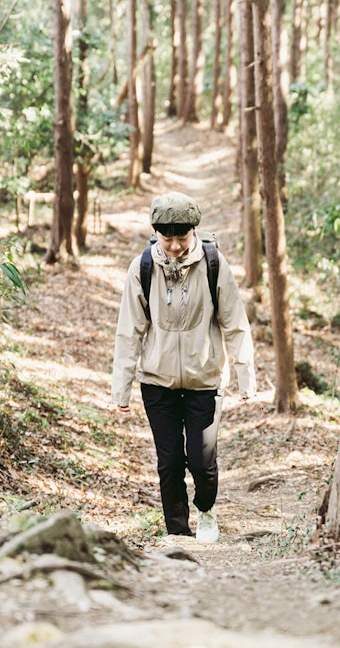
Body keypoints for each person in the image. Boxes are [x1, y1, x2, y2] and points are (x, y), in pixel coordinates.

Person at [111, 192, 256, 542]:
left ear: (194, 231)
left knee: (203, 462)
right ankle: (177, 531)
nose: (174, 246)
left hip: (204, 380)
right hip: (157, 382)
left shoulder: (213, 264)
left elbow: (235, 323)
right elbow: (129, 331)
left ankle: (206, 509)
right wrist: (122, 388)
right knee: (170, 462)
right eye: (167, 238)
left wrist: (245, 377)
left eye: (182, 238)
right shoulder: (142, 268)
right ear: (156, 233)